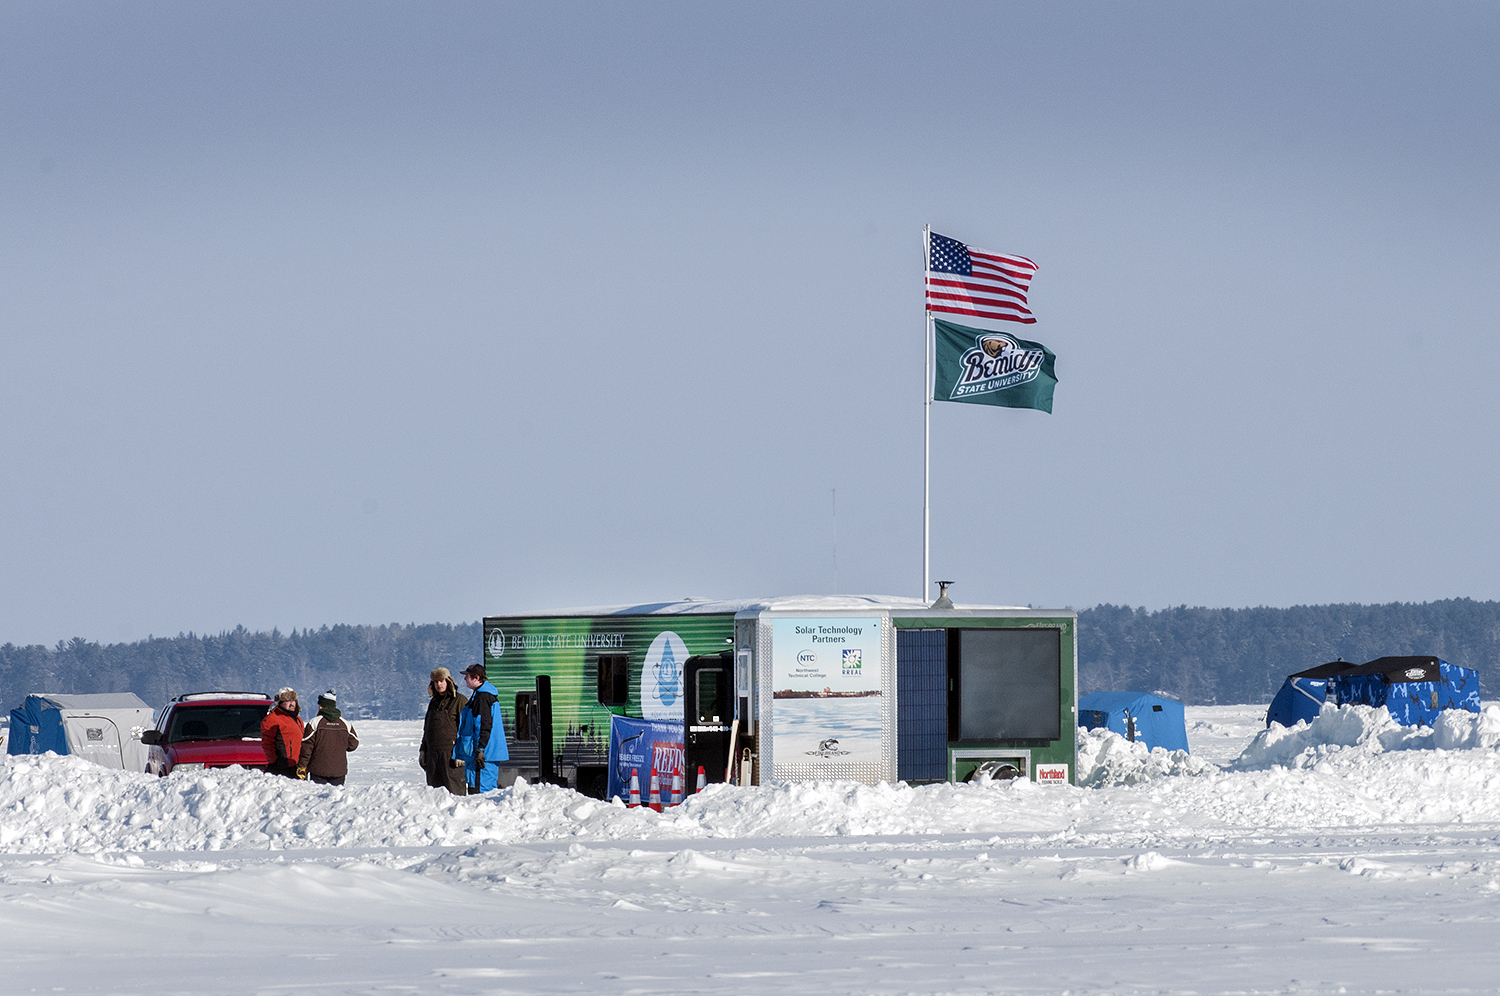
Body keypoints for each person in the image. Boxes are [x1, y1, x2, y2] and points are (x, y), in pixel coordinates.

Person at [455, 663, 508, 793]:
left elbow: (483, 725)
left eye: (467, 676)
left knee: (481, 792)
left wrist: (480, 749)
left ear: (477, 678)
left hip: (484, 756)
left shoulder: (482, 697)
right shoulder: (481, 695)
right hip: (484, 753)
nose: (464, 679)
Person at [419, 667, 468, 795]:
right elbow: (427, 729)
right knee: (435, 795)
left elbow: (466, 729)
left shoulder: (459, 701)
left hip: (451, 756)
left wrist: (462, 753)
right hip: (433, 755)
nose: (439, 684)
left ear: (448, 681)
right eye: (435, 682)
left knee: (454, 793)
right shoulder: (433, 703)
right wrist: (423, 750)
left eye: (441, 681)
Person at [297, 690, 359, 785]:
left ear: (321, 706)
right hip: (339, 771)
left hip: (318, 771)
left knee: (319, 798)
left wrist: (302, 767)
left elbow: (307, 748)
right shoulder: (345, 724)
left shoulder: (314, 723)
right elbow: (353, 745)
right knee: (336, 798)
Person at [260, 688, 303, 778]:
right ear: (280, 702)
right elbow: (267, 744)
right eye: (287, 701)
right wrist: (274, 763)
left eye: (293, 700)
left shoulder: (298, 719)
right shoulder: (272, 719)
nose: (291, 703)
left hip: (298, 766)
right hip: (282, 767)